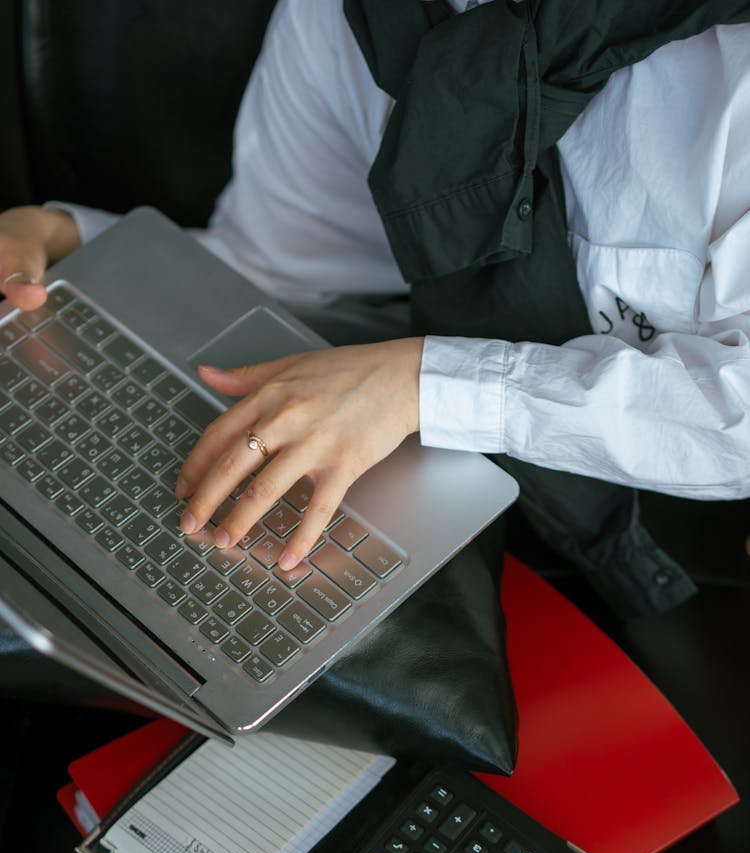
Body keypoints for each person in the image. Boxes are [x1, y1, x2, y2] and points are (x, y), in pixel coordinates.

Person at [1, 0, 749, 606]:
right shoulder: (343, 18)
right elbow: (283, 271)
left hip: (683, 542)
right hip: (443, 506)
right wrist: (60, 235)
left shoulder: (730, 60)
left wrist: (421, 385)